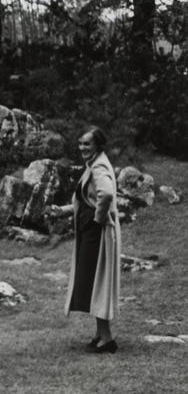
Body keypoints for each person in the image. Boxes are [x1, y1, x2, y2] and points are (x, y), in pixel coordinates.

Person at [51, 127, 121, 353]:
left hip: (96, 232)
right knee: (93, 282)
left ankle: (107, 339)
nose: (82, 148)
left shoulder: (99, 166)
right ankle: (101, 334)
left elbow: (107, 194)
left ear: (98, 146)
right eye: (80, 143)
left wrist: (98, 218)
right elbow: (88, 199)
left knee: (97, 281)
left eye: (87, 144)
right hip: (90, 231)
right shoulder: (94, 163)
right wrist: (62, 210)